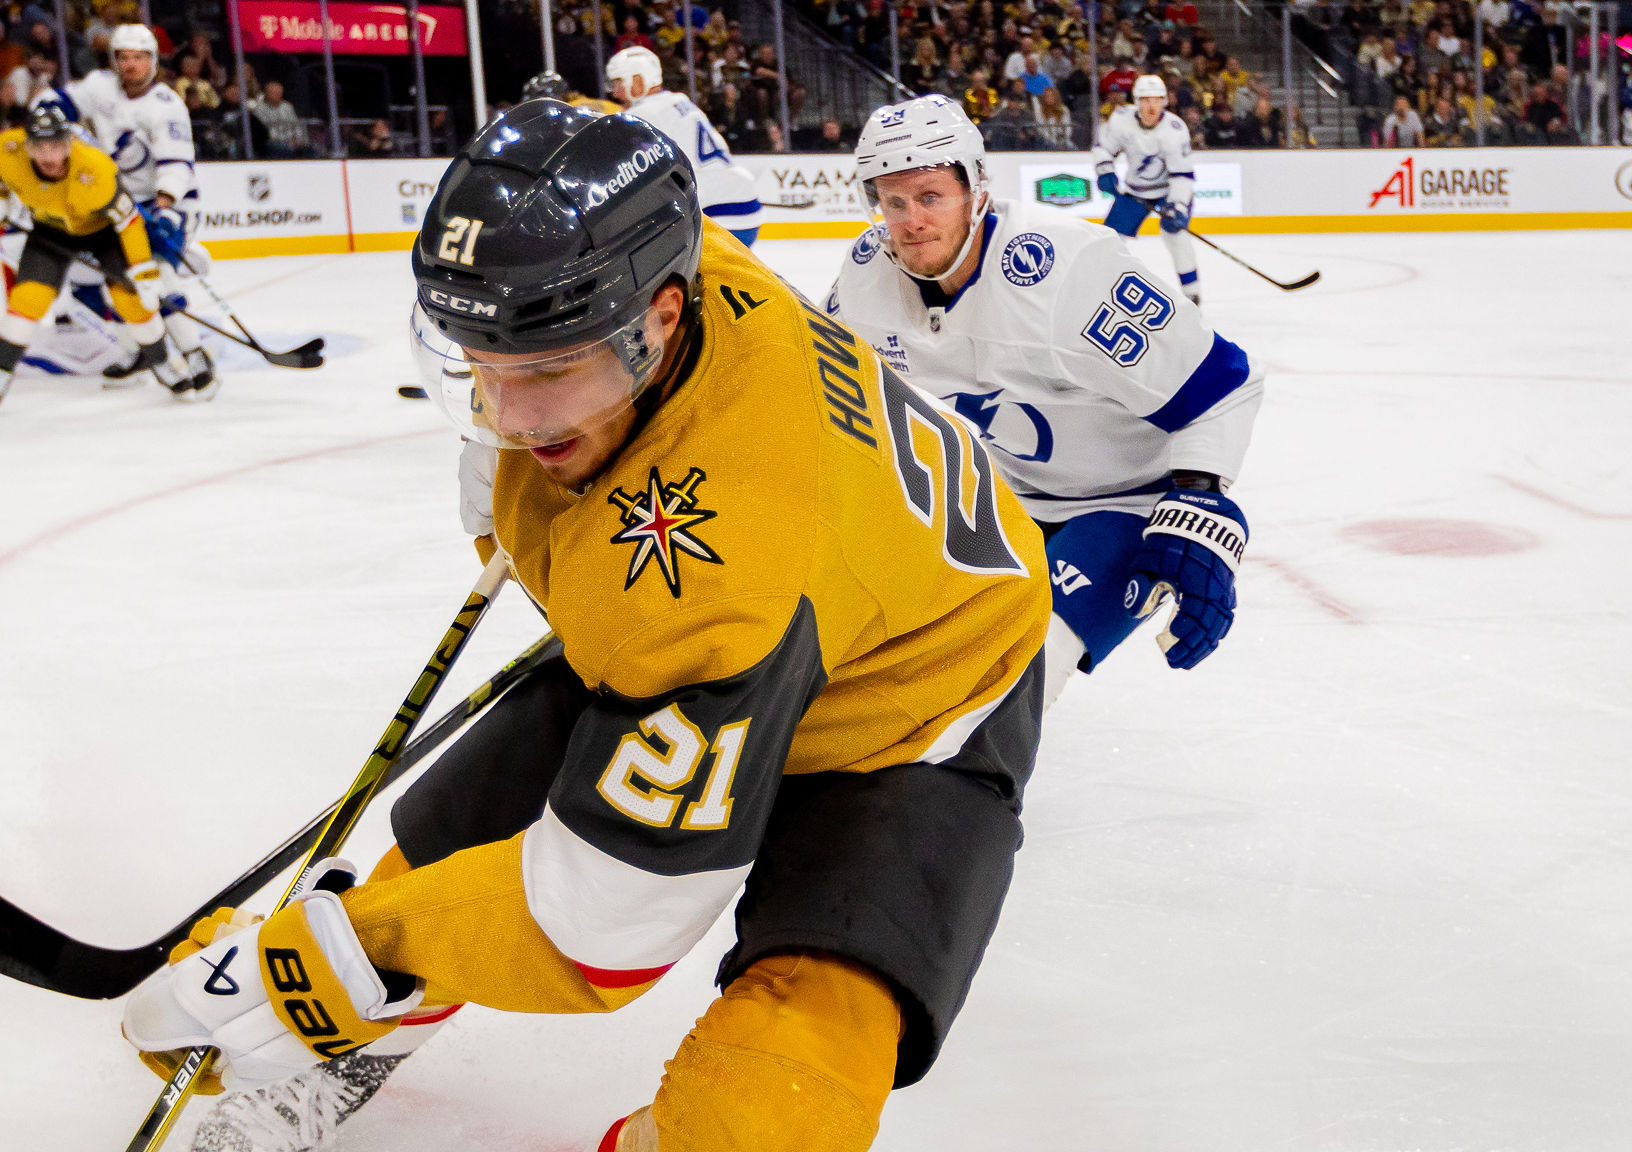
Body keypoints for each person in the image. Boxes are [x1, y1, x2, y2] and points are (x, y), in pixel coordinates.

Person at [123, 97, 1051, 1152]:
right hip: (777, 596)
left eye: (551, 368)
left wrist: (329, 965)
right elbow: (589, 169)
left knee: (770, 1103)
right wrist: (525, 404)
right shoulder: (649, 256)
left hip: (916, 701)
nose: (513, 420)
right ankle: (365, 1031)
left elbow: (603, 926)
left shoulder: (717, 568)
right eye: (480, 363)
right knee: (445, 863)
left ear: (658, 320)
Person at [826, 94, 1261, 710]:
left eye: (930, 197)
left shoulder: (1066, 271)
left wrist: (1201, 502)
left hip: (1125, 501)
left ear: (975, 190)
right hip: (996, 499)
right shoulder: (864, 277)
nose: (912, 221)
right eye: (894, 202)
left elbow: (1220, 384)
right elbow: (829, 393)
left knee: (1016, 678)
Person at [35, 24, 215, 392]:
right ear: (114, 60)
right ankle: (136, 353)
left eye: (139, 57)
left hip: (167, 204)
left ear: (154, 61)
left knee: (158, 276)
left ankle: (194, 354)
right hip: (119, 203)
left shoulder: (166, 106)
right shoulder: (100, 86)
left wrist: (164, 210)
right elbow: (57, 101)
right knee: (114, 279)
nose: (131, 65)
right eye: (124, 57)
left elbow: (177, 166)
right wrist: (46, 113)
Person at [0, 105, 185, 405]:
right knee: (28, 298)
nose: (48, 157)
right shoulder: (8, 148)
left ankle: (160, 362)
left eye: (56, 146)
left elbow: (129, 221)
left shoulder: (96, 169)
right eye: (39, 147)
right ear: (27, 145)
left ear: (69, 144)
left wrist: (144, 273)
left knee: (130, 300)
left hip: (104, 233)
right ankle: (1, 371)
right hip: (49, 231)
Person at [605, 46, 764, 245]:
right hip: (742, 201)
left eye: (619, 82)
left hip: (717, 211)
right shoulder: (678, 100)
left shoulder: (642, 115)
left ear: (638, 81)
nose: (615, 92)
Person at [1091, 74, 1203, 304]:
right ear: (1136, 101)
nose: (1151, 107)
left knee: (1175, 236)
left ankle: (1192, 293)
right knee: (1111, 240)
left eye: (1157, 100)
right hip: (1136, 191)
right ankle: (1098, 289)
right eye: (1145, 100)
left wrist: (1178, 206)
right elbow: (1103, 148)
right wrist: (1105, 170)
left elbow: (1182, 175)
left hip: (1169, 191)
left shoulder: (1175, 130)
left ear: (1165, 102)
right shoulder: (1121, 119)